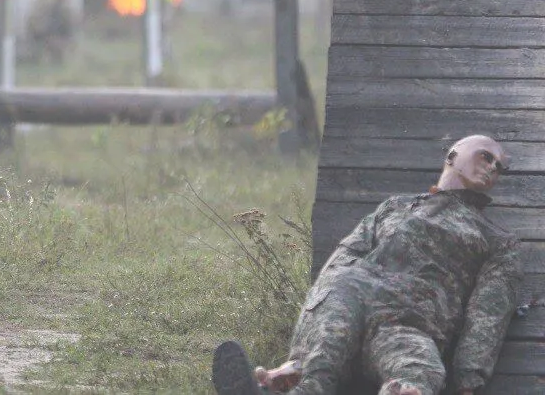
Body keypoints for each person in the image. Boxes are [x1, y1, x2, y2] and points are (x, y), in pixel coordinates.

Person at [213, 135, 521, 395]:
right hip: (353, 297)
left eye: (498, 167)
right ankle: (295, 379)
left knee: (420, 373)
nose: (492, 168)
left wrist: (468, 381)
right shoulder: (394, 208)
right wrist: (305, 346)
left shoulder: (496, 240)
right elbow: (341, 261)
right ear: (453, 156)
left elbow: (488, 313)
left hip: (410, 320)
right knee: (321, 360)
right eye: (485, 157)